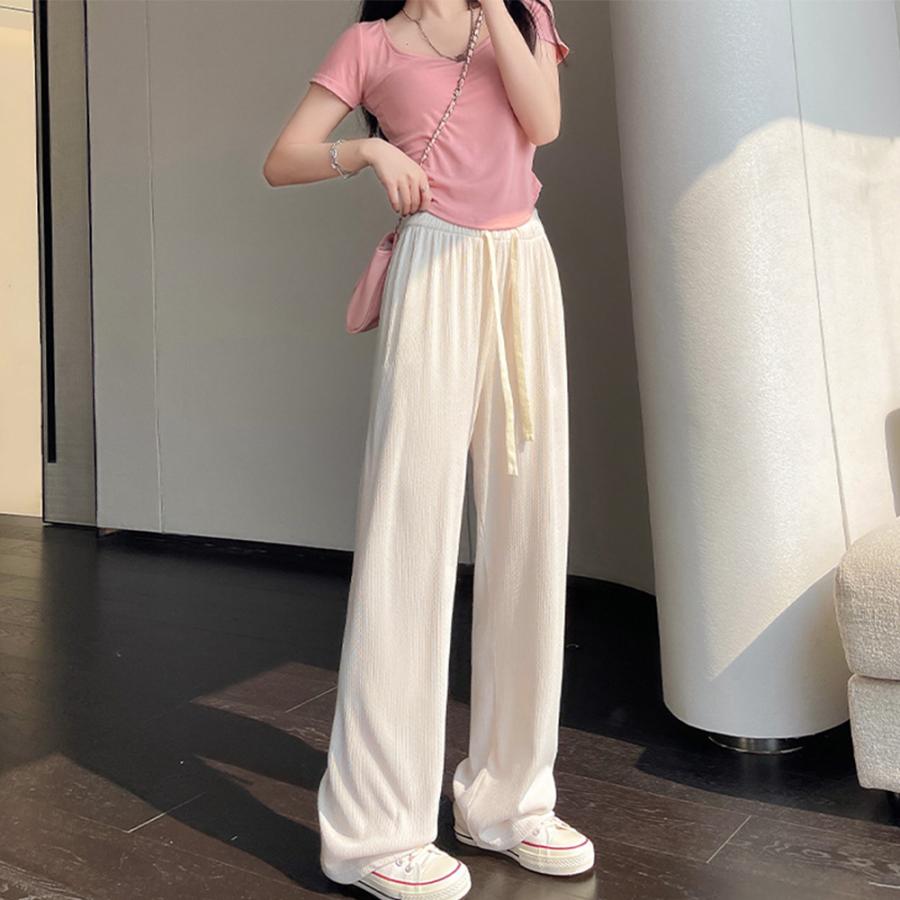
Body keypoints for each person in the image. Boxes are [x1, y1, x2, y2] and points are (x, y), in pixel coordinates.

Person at [263, 2, 593, 897]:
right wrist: (370, 153)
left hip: (523, 264)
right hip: (435, 267)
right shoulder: (368, 45)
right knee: (409, 537)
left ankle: (510, 800)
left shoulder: (525, 13)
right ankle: (375, 830)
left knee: (531, 530)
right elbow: (283, 158)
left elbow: (544, 124)